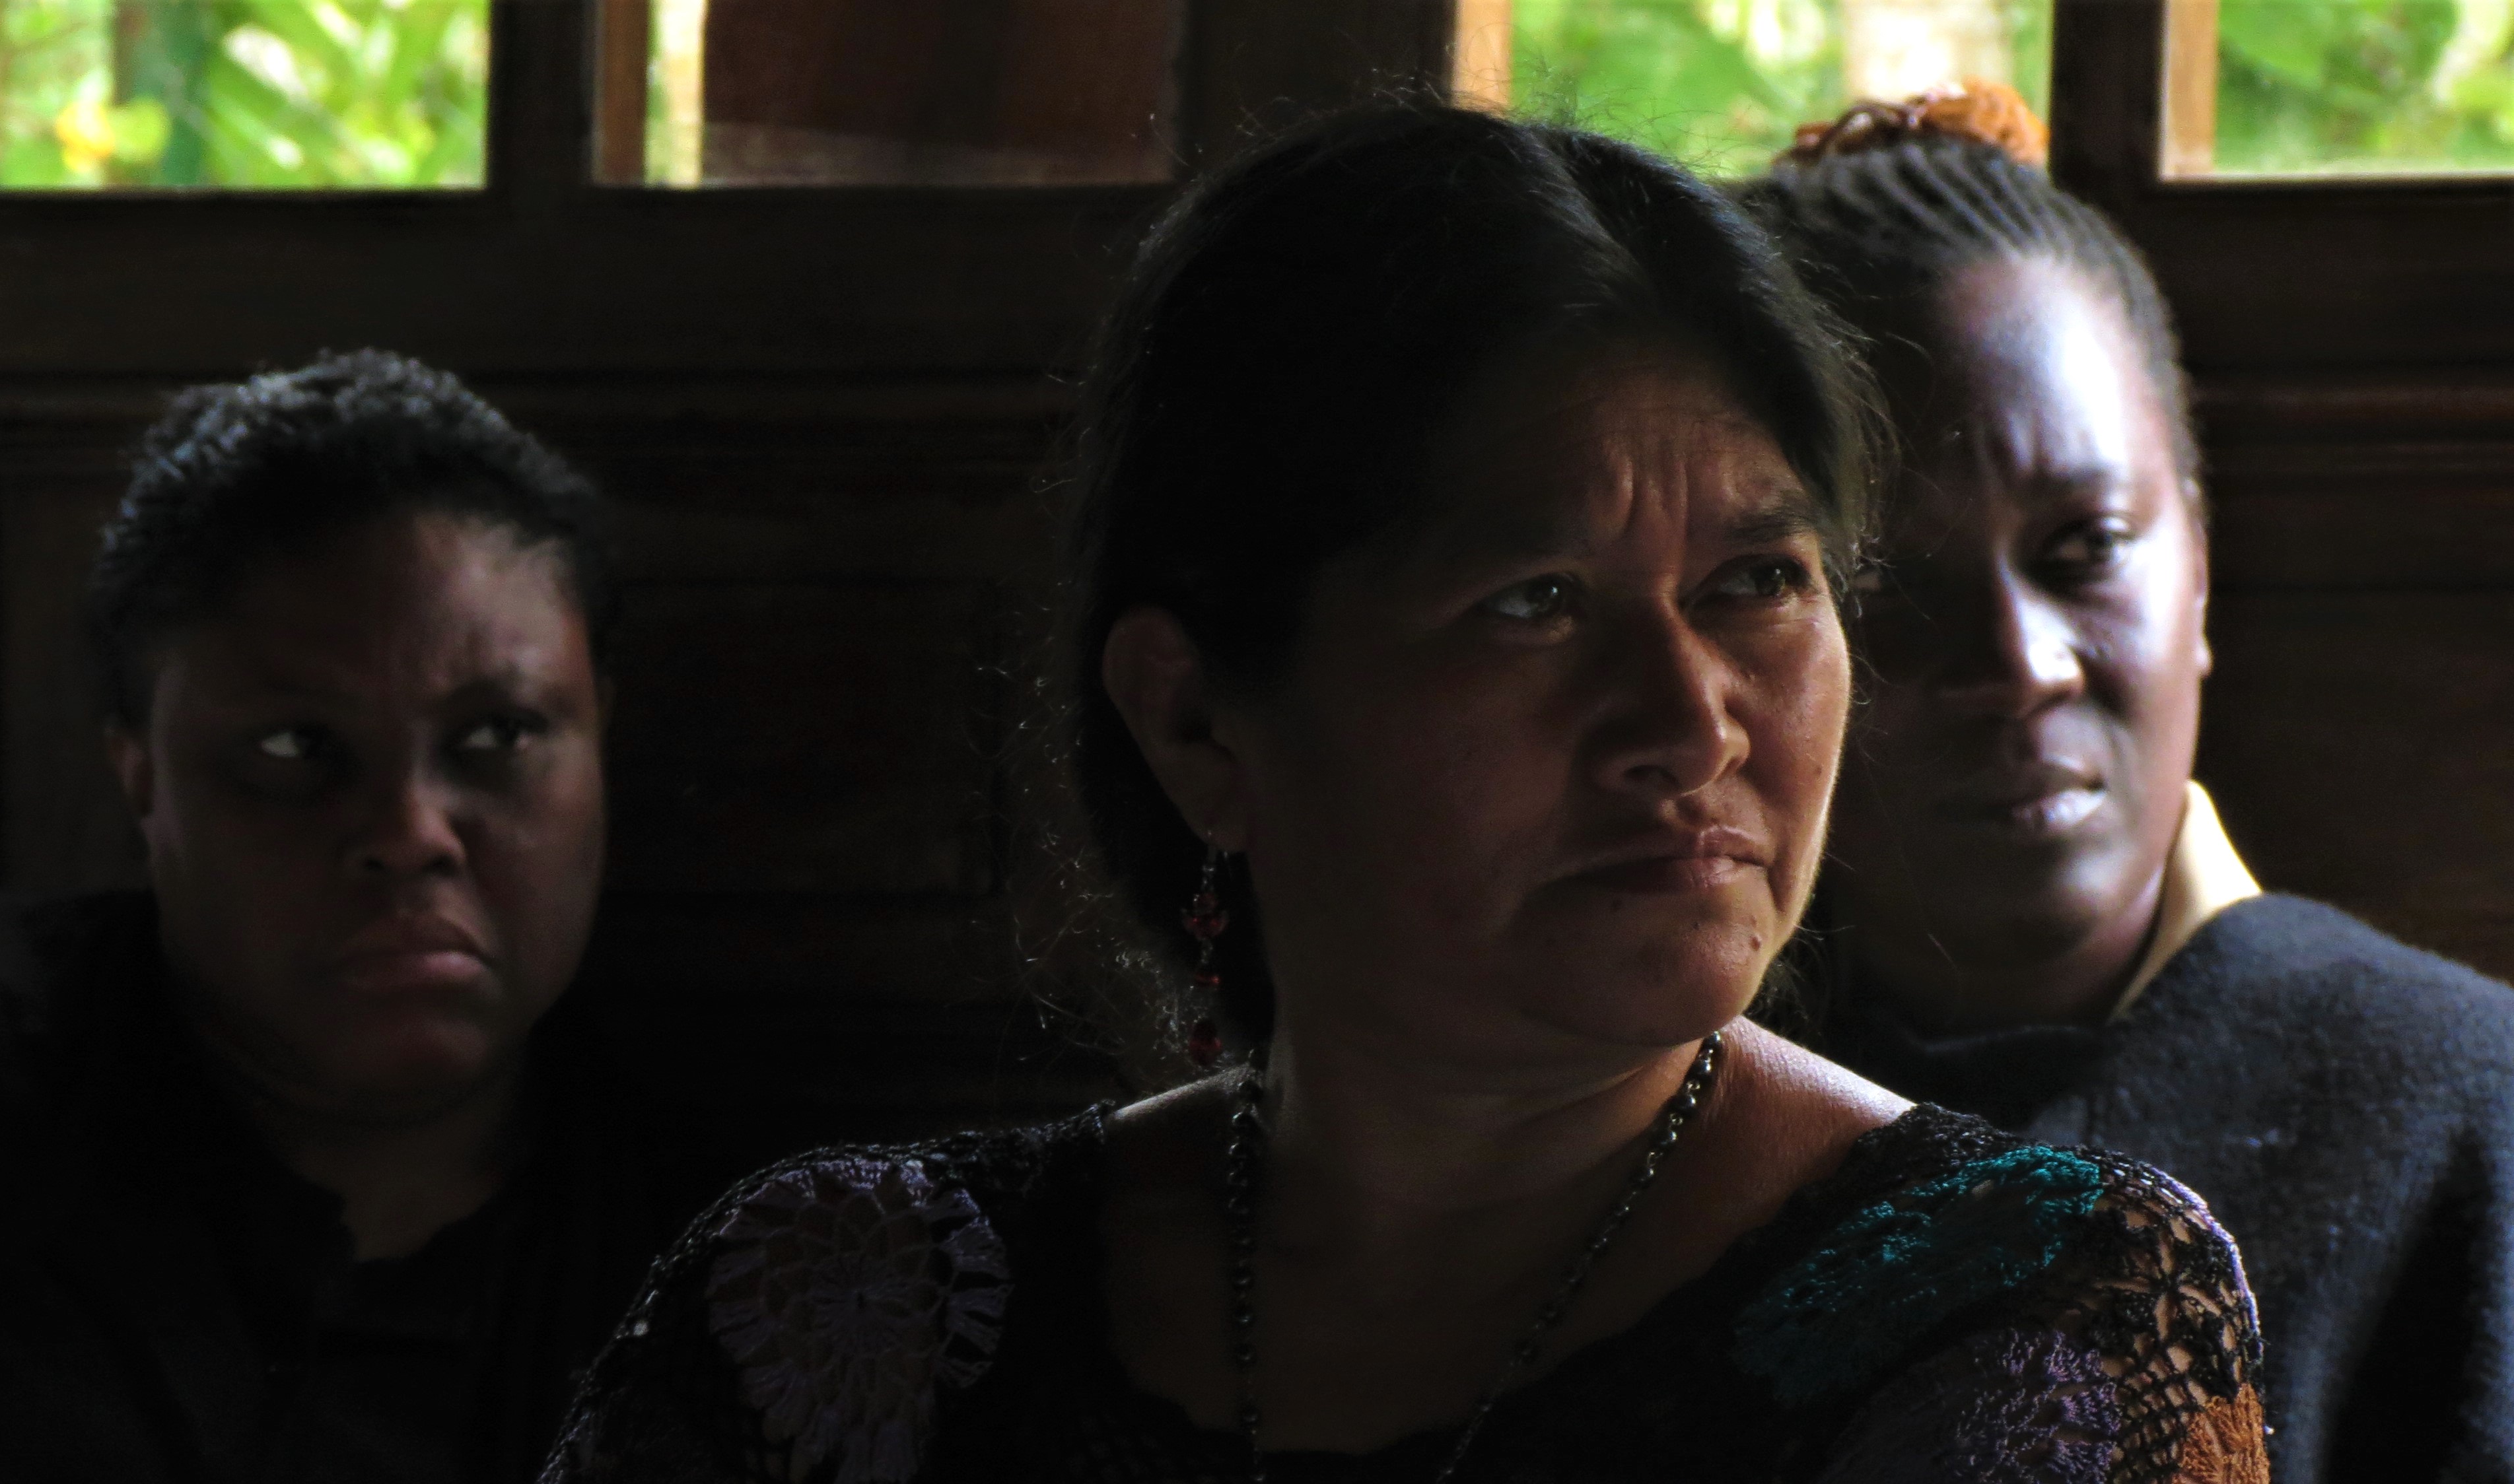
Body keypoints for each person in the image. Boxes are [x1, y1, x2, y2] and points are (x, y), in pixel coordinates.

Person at [540, 104, 2266, 1483]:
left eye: (1755, 583)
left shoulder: (2031, 1326)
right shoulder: (846, 1318)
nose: (1690, 722)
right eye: (1534, 602)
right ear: (1196, 723)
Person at [1742, 84, 2514, 1484]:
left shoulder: (2465, 1109)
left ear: (2199, 564)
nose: (2018, 664)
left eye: (2086, 547)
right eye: (1892, 586)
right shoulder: (1638, 1117)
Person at [0, 352, 802, 1484]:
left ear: (599, 739)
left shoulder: (758, 1293)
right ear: (139, 775)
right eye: (294, 749)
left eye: (499, 736)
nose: (408, 833)